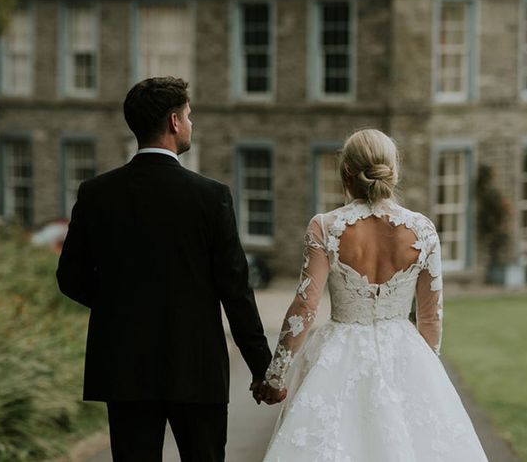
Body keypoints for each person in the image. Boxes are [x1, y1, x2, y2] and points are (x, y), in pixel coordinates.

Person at [56, 77, 280, 462]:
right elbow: (236, 290)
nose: (192, 124)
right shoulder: (211, 197)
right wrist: (263, 368)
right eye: (189, 116)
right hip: (196, 364)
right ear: (174, 122)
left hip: (124, 365)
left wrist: (118, 304)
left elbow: (70, 277)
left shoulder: (96, 193)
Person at [254, 129, 489, 461]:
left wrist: (275, 376)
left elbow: (305, 306)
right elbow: (430, 315)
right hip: (405, 353)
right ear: (392, 171)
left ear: (346, 173)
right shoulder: (422, 229)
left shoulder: (325, 226)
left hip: (339, 353)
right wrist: (425, 374)